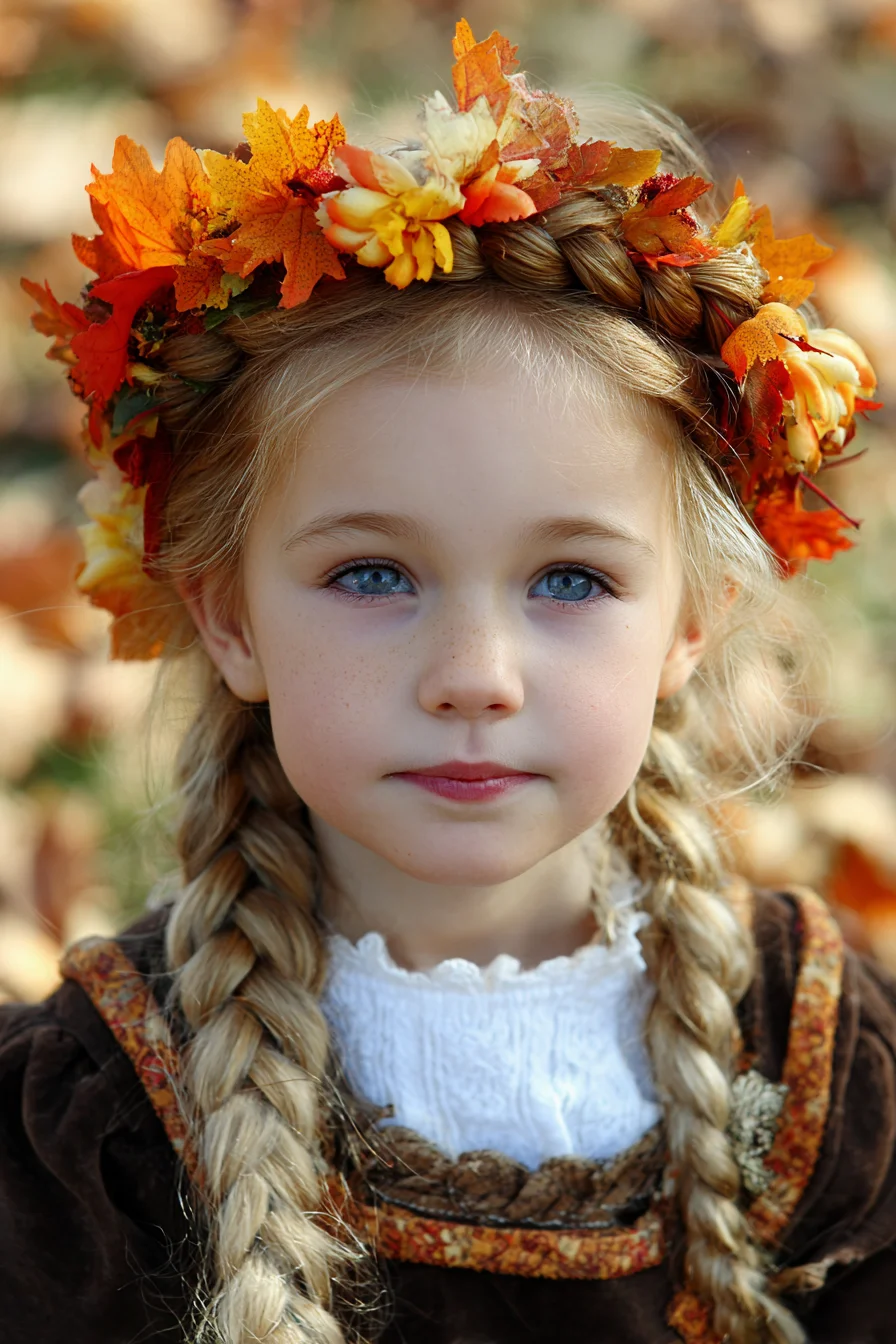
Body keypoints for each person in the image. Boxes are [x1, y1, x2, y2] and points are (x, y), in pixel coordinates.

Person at [5, 17, 894, 1344]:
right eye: (373, 576)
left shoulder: (822, 1061)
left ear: (691, 624)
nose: (474, 677)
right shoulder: (93, 1126)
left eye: (571, 582)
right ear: (229, 615)